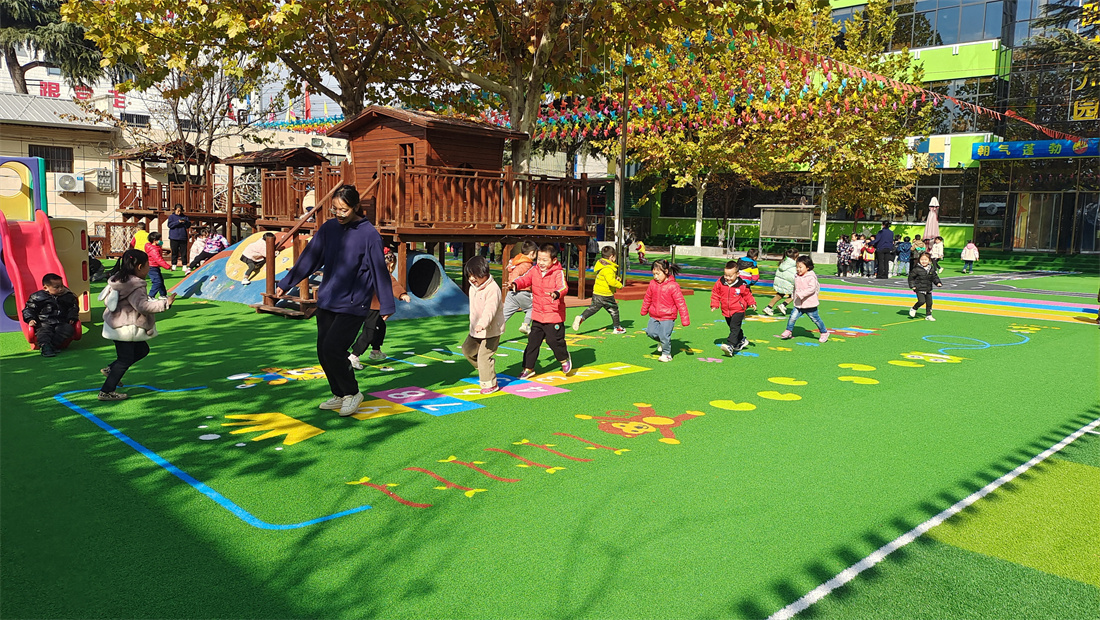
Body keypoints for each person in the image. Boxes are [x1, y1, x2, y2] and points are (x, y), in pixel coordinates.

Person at [275, 185, 395, 417]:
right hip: (328, 299)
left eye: (344, 210)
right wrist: (287, 282)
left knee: (333, 348)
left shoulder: (369, 234)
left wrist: (387, 303)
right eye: (335, 209)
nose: (339, 214)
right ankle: (339, 394)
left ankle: (352, 393)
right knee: (323, 351)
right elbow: (310, 258)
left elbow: (379, 270)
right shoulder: (329, 228)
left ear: (356, 207)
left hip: (354, 302)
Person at [98, 249, 175, 400]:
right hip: (126, 328)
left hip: (115, 324)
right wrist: (165, 303)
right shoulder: (135, 285)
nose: (149, 268)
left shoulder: (118, 279)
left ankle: (111, 369)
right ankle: (106, 391)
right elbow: (142, 306)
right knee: (125, 359)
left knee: (142, 349)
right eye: (147, 265)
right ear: (140, 267)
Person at [509, 243, 571, 379]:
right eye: (539, 259)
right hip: (538, 314)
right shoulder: (534, 270)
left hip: (553, 315)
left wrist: (557, 293)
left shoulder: (558, 272)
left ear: (553, 260)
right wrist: (516, 284)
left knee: (554, 341)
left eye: (544, 260)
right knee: (532, 343)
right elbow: (525, 279)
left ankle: (564, 359)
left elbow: (563, 287)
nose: (541, 263)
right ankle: (528, 368)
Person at [348, 250, 409, 368]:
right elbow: (393, 285)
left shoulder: (372, 270)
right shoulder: (383, 273)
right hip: (372, 307)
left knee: (380, 327)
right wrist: (402, 295)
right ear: (391, 264)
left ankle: (376, 351)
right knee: (369, 331)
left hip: (370, 306)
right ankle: (354, 355)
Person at [462, 256, 505, 394]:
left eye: (475, 276)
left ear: (484, 273)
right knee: (467, 350)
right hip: (476, 329)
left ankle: (490, 384)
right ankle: (484, 369)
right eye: (469, 276)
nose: (472, 279)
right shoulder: (473, 287)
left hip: (491, 330)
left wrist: (482, 324)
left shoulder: (493, 289)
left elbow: (490, 310)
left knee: (484, 357)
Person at [640, 259, 690, 362]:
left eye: (658, 274)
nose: (655, 277)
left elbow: (680, 303)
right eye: (654, 274)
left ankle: (666, 354)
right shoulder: (652, 284)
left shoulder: (673, 286)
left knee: (664, 335)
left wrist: (685, 319)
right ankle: (662, 342)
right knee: (650, 332)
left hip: (668, 316)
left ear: (666, 271)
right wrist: (644, 309)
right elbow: (648, 297)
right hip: (654, 314)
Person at [22, 272, 79, 356]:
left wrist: (72, 316)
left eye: (62, 286)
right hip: (44, 321)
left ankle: (52, 345)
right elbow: (29, 309)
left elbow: (73, 307)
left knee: (67, 329)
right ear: (46, 288)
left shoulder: (67, 296)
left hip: (61, 321)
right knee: (44, 332)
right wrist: (30, 319)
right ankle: (45, 346)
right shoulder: (38, 297)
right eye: (56, 287)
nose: (61, 289)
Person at [573, 246, 625, 334]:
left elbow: (606, 277)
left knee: (593, 308)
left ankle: (581, 317)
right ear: (611, 257)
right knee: (614, 309)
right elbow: (611, 281)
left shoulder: (602, 265)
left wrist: (616, 277)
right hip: (606, 294)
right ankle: (617, 328)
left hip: (597, 292)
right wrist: (619, 285)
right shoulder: (609, 268)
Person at [779, 256, 829, 343]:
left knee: (816, 319)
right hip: (798, 304)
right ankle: (788, 330)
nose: (798, 269)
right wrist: (793, 295)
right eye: (797, 267)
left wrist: (801, 294)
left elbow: (812, 288)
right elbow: (795, 287)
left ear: (807, 267)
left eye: (800, 267)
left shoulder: (811, 277)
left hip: (810, 303)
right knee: (792, 317)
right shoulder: (797, 276)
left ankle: (824, 332)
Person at [710, 261, 756, 356]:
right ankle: (741, 339)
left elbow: (747, 294)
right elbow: (715, 293)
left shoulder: (742, 284)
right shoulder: (720, 282)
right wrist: (714, 304)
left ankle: (730, 345)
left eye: (730, 276)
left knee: (734, 327)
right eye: (726, 275)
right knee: (733, 327)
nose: (727, 278)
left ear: (737, 274)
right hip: (726, 310)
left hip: (738, 309)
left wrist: (752, 303)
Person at [502, 240, 537, 335]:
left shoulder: (516, 261)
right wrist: (514, 283)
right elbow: (517, 273)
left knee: (504, 315)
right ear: (532, 253)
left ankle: (493, 330)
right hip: (522, 292)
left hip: (511, 293)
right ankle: (526, 325)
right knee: (532, 308)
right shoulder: (526, 264)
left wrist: (511, 283)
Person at [762, 247, 798, 315]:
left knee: (779, 295)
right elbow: (793, 276)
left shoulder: (783, 262)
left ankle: (768, 307)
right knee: (795, 294)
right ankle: (783, 305)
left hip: (781, 282)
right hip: (788, 282)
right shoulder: (794, 265)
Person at [908, 253, 943, 321]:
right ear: (919, 260)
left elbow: (935, 277)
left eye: (925, 260)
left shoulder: (931, 269)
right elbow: (911, 278)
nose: (923, 261)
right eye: (922, 260)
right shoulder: (916, 269)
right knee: (921, 301)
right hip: (919, 288)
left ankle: (928, 315)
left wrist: (938, 282)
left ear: (929, 260)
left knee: (929, 303)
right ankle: (914, 308)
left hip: (928, 288)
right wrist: (912, 286)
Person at [144, 232, 172, 298]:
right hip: (152, 267)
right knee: (157, 282)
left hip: (154, 266)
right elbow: (158, 259)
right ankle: (151, 296)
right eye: (159, 239)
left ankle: (163, 294)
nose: (160, 241)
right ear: (154, 240)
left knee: (160, 281)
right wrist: (167, 266)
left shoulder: (154, 247)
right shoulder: (154, 249)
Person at [166, 204, 191, 272]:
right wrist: (178, 222)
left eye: (180, 211)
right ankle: (174, 264)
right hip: (174, 237)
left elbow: (188, 225)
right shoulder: (171, 217)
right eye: (178, 211)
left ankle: (184, 265)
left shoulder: (185, 217)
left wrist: (185, 222)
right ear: (175, 210)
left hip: (183, 237)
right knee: (174, 251)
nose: (179, 212)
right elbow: (170, 225)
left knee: (184, 252)